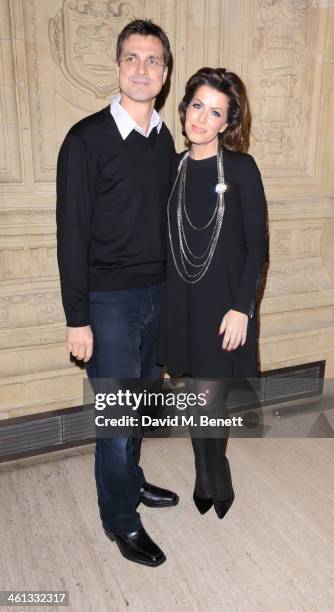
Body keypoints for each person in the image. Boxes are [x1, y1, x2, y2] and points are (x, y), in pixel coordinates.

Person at [56, 19, 178, 568]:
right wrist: (76, 317)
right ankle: (121, 521)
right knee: (117, 419)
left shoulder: (164, 138)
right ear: (118, 66)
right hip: (107, 304)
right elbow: (71, 235)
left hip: (158, 295)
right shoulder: (85, 140)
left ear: (165, 73)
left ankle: (131, 481)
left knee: (143, 405)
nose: (142, 69)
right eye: (133, 58)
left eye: (153, 60)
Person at [158, 67, 268, 518]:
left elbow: (257, 244)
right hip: (180, 303)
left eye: (215, 112)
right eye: (197, 106)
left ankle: (213, 474)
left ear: (227, 123)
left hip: (224, 304)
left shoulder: (241, 168)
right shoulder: (172, 168)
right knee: (196, 395)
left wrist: (242, 307)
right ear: (185, 109)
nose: (202, 118)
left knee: (211, 398)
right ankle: (209, 473)